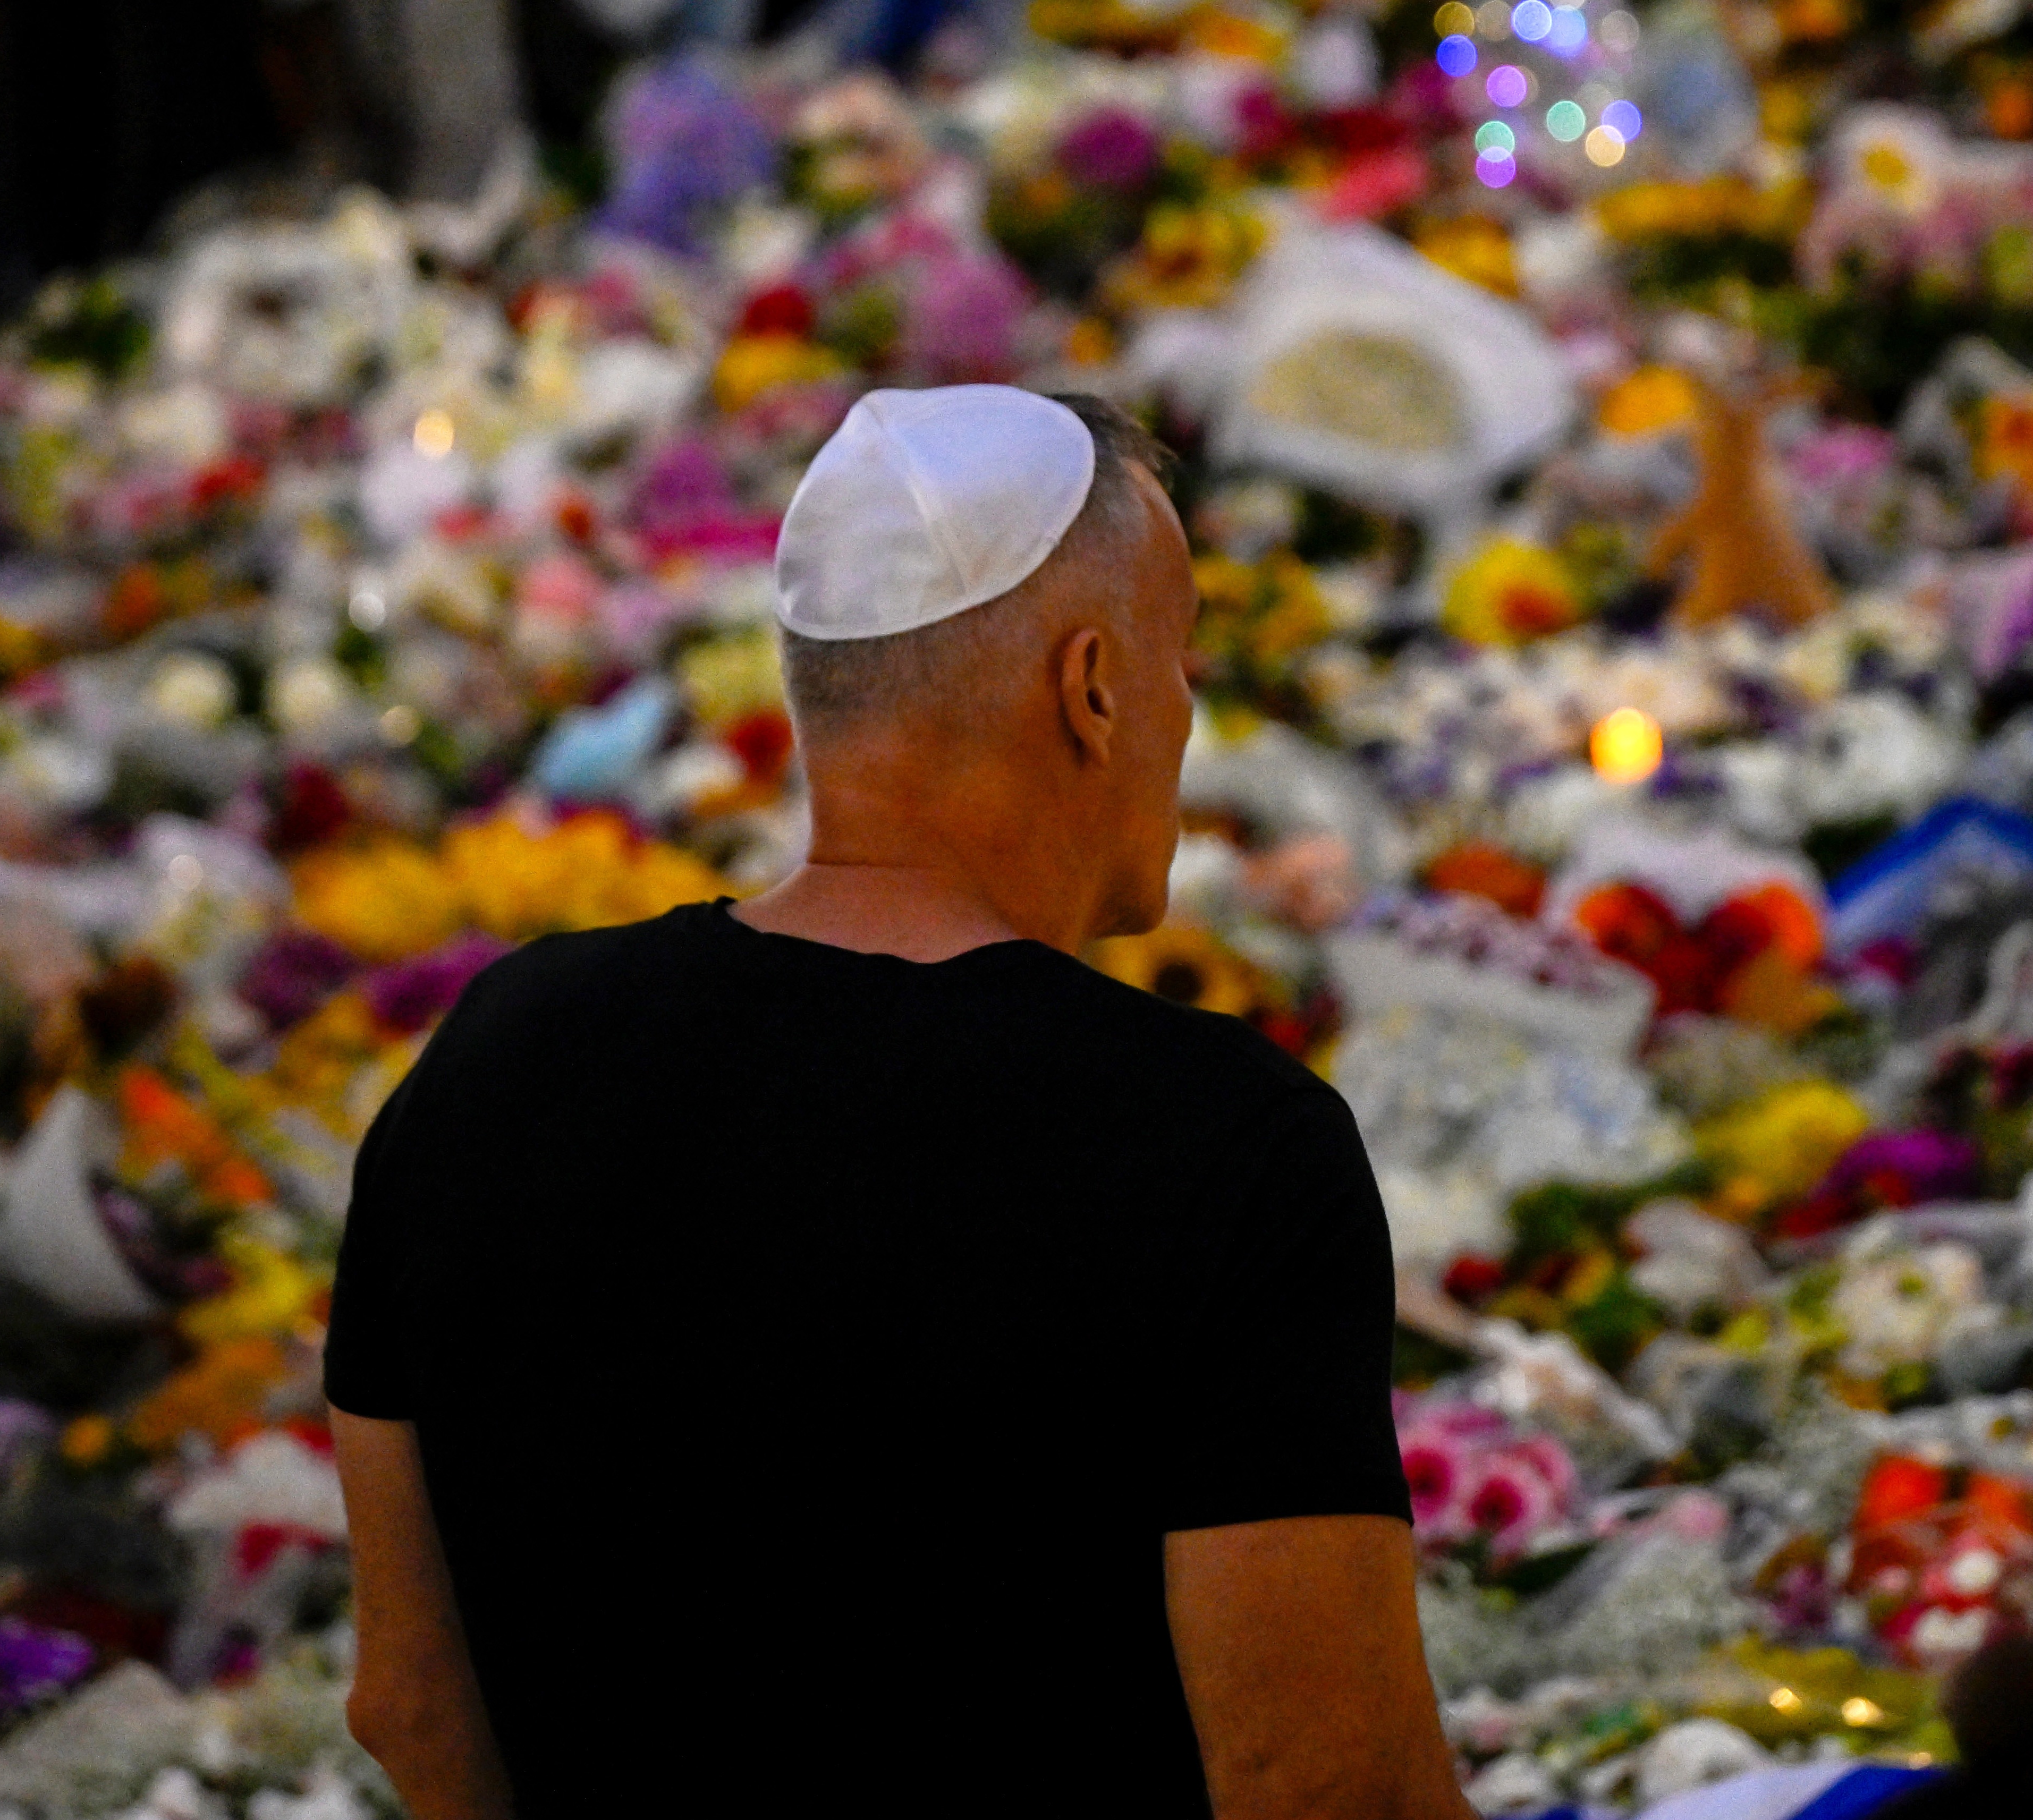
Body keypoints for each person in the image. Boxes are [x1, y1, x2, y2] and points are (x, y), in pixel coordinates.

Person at [325, 385, 1472, 1819]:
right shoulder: (1224, 1146)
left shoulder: (490, 1062)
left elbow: (411, 1702)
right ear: (1094, 686)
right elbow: (1322, 1786)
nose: (1188, 714)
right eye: (1183, 663)